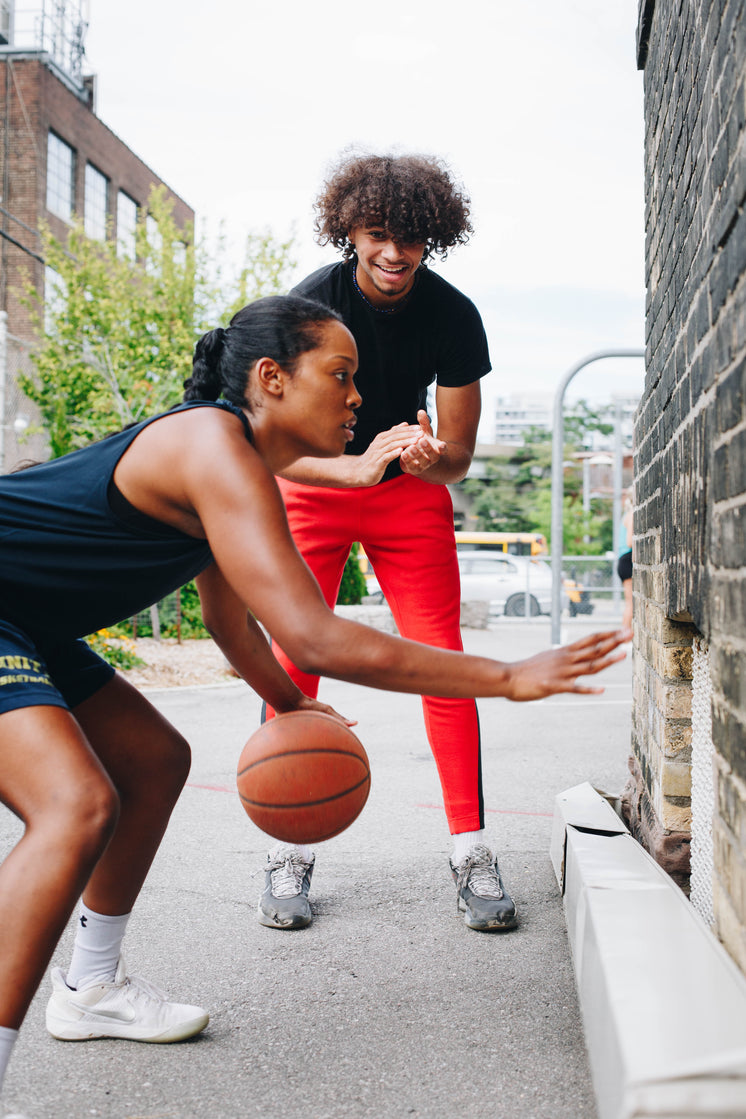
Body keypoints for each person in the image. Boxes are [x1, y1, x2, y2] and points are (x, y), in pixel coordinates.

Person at [0, 294, 627, 1115]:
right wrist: (507, 676)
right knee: (75, 804)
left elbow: (230, 618)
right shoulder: (210, 446)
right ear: (272, 378)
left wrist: (293, 703)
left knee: (155, 760)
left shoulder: (233, 462)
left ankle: (89, 987)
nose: (359, 397)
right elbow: (316, 632)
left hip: (29, 618)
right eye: (341, 374)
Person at [257, 151, 516, 934]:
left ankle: (470, 849)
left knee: (442, 659)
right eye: (377, 234)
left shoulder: (453, 314)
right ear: (350, 231)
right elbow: (269, 442)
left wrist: (435, 460)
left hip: (406, 493)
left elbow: (462, 456)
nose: (394, 253)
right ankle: (288, 849)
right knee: (295, 657)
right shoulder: (307, 306)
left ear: (433, 237)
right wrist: (349, 469)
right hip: (316, 482)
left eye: (411, 238)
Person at [617, 496, 634, 631]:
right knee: (631, 603)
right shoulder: (632, 514)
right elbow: (629, 542)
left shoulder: (627, 514)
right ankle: (624, 636)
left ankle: (625, 634)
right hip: (627, 559)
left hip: (625, 560)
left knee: (630, 602)